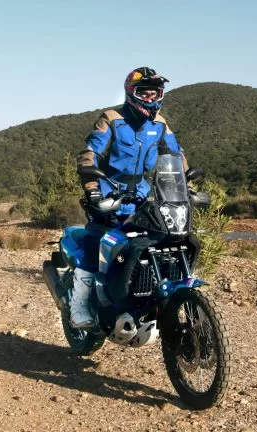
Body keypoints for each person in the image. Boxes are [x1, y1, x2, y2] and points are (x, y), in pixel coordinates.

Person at [70, 67, 189, 328]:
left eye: (154, 92)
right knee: (95, 242)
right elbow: (89, 152)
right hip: (109, 190)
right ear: (130, 92)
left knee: (161, 241)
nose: (149, 98)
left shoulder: (160, 125)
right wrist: (91, 187)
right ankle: (78, 305)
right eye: (143, 92)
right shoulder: (111, 119)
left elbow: (176, 153)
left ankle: (143, 297)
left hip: (143, 196)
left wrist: (186, 181)